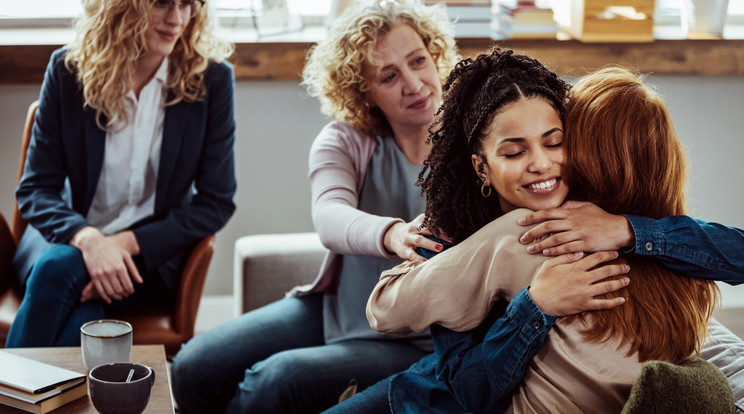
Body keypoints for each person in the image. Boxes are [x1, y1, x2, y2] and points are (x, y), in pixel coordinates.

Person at [356, 51, 739, 413]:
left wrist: (624, 230)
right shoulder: (479, 231)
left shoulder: (568, 231)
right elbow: (400, 321)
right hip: (428, 391)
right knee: (297, 382)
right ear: (481, 166)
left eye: (555, 142)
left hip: (439, 391)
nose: (541, 163)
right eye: (513, 152)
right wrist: (537, 304)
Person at [169, 1, 461, 412]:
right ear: (364, 91)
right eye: (389, 76)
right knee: (191, 366)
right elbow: (329, 217)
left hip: (417, 338)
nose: (414, 84)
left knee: (272, 382)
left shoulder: (473, 144)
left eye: (418, 61)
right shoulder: (344, 141)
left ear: (435, 55)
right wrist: (393, 234)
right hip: (336, 308)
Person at [6, 0, 236, 348]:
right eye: (161, 3)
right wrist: (90, 241)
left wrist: (121, 246)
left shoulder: (213, 80)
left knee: (62, 280)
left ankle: (13, 395)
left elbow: (215, 203)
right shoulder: (69, 71)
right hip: (66, 240)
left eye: (188, 4)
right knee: (66, 283)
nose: (176, 18)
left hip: (146, 263)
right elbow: (36, 188)